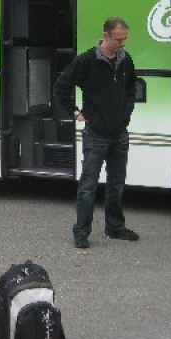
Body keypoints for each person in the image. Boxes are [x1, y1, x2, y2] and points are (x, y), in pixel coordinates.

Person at [54, 17, 138, 248]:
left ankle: (115, 228)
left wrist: (126, 114)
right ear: (106, 35)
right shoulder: (87, 60)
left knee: (117, 184)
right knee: (88, 185)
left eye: (124, 39)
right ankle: (81, 232)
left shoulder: (126, 60)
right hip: (96, 134)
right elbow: (61, 86)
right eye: (118, 39)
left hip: (120, 133)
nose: (122, 44)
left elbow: (132, 89)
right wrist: (75, 112)